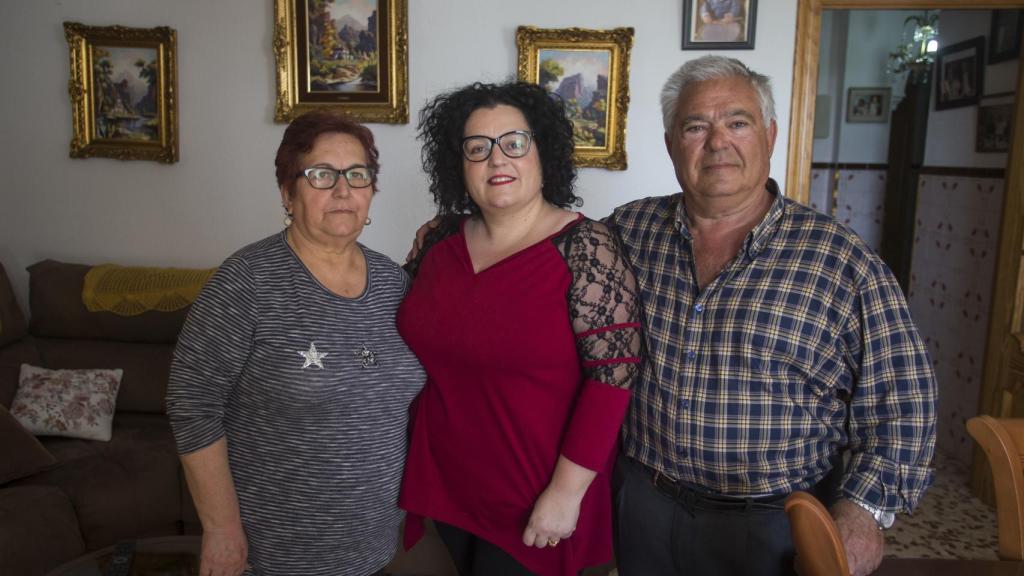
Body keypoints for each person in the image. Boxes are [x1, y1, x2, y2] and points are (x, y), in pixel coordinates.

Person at [608, 55, 937, 576]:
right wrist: (455, 231)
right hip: (644, 505)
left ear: (770, 134)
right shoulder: (626, 233)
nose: (718, 142)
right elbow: (540, 268)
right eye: (696, 126)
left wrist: (864, 511)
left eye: (737, 122)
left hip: (775, 523)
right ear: (672, 144)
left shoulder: (840, 260)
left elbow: (904, 402)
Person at [166, 110, 425, 576]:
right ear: (288, 192)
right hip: (277, 551)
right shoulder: (246, 281)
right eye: (322, 175)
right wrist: (222, 529)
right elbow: (192, 402)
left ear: (371, 191)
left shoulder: (394, 283)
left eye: (357, 174)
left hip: (376, 541)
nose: (343, 190)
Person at [398, 81, 642, 576]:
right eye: (477, 148)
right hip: (441, 481)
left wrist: (565, 494)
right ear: (458, 164)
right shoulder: (439, 242)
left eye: (514, 143)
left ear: (542, 152)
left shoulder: (586, 249)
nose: (496, 160)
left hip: (535, 495)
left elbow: (611, 381)